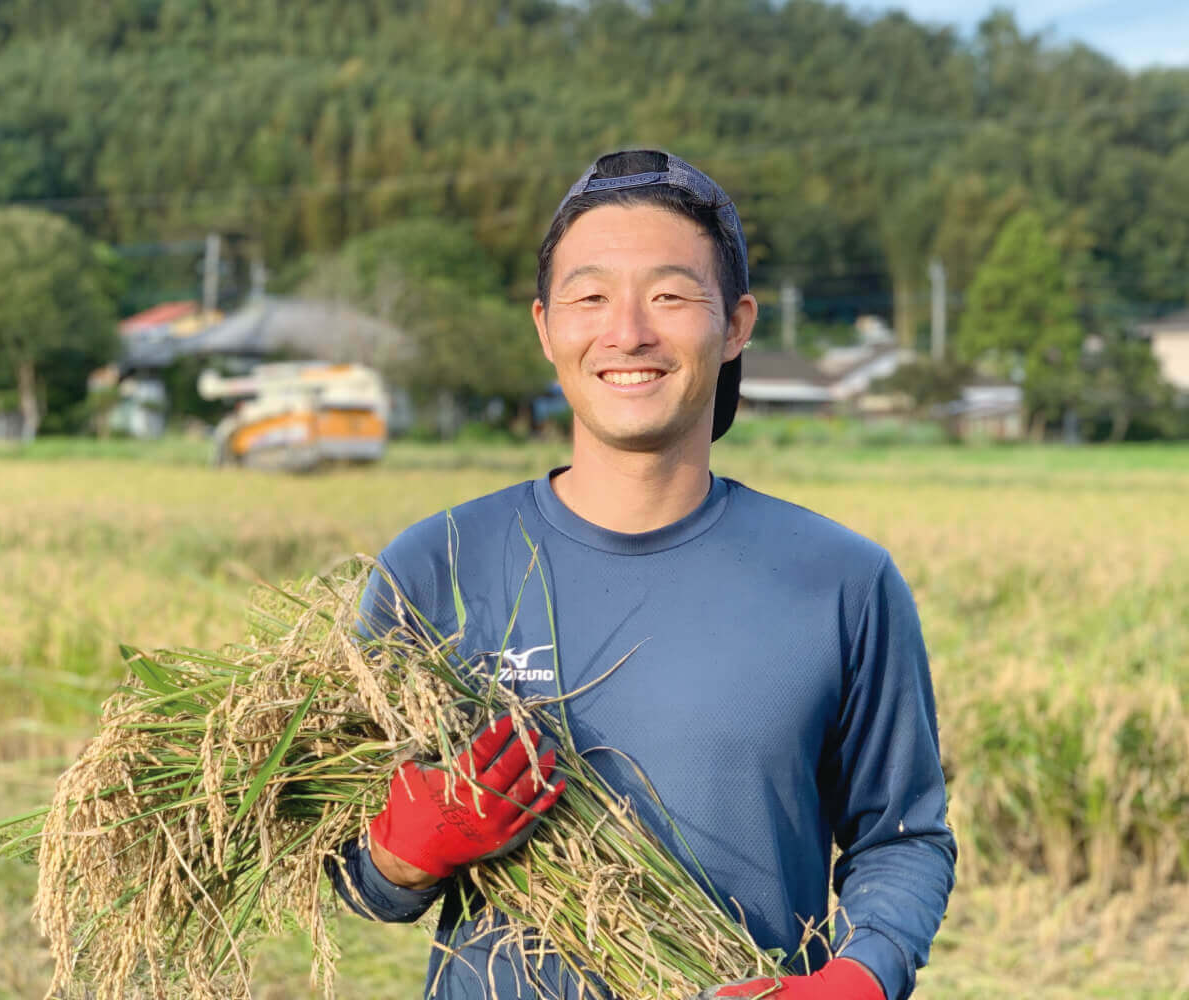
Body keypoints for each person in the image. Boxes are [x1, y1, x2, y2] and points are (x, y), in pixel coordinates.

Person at [328, 149, 957, 1000]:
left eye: (670, 296)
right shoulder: (432, 566)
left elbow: (904, 836)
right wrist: (398, 858)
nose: (628, 332)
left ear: (735, 325)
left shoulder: (842, 581)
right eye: (591, 298)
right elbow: (345, 866)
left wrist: (858, 978)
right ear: (546, 326)